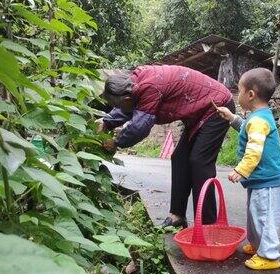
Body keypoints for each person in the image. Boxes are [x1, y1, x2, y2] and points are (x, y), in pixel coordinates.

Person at [98, 65, 235, 228]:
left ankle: (207, 224)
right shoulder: (134, 85)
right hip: (199, 112)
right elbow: (129, 107)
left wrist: (117, 142)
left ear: (127, 99)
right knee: (179, 158)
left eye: (118, 105)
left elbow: (140, 126)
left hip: (217, 107)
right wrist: (106, 121)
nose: (118, 108)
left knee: (199, 161)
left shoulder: (149, 88)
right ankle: (178, 216)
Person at [216, 68, 280, 270]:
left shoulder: (258, 120)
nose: (237, 95)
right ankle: (258, 246)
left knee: (264, 217)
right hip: (261, 180)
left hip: (267, 182)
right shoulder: (259, 116)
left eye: (239, 90)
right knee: (255, 214)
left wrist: (241, 170)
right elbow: (246, 127)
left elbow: (254, 151)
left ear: (250, 94)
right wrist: (231, 117)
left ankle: (269, 256)